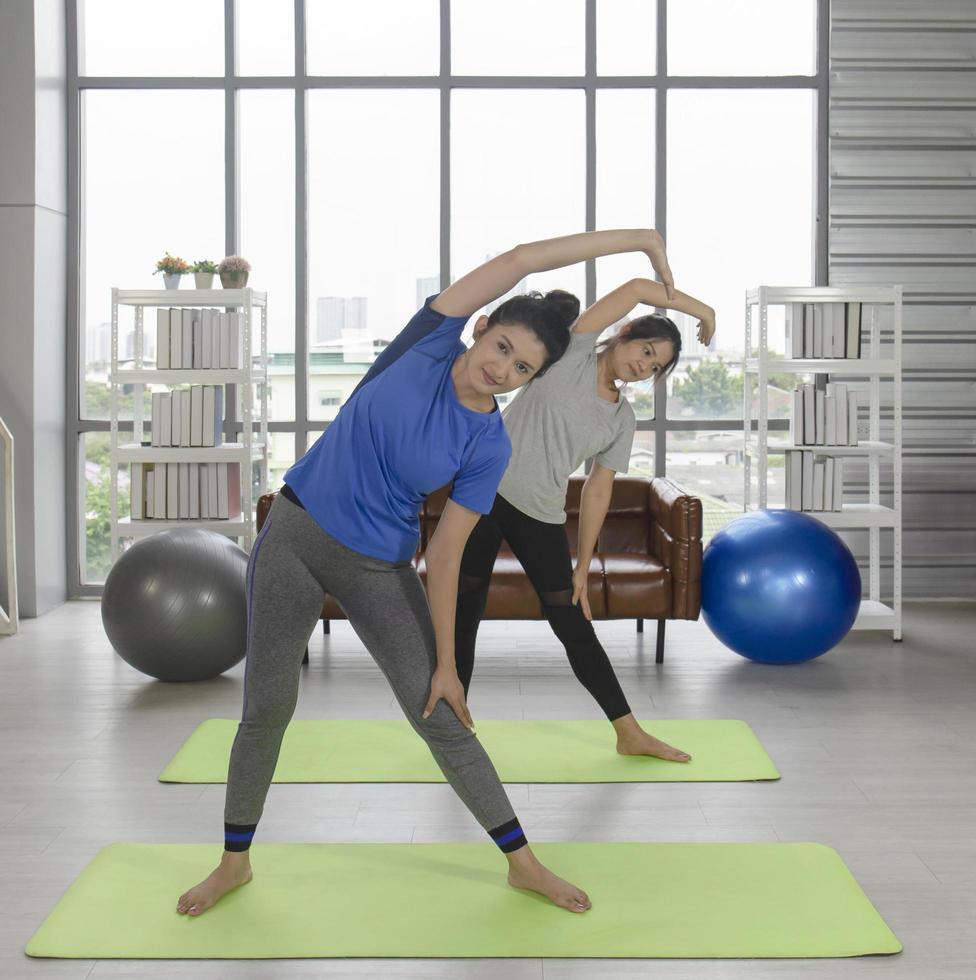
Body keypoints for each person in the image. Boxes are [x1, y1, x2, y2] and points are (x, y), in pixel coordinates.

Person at [176, 229, 675, 918]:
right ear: (480, 327)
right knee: (267, 705)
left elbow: (445, 554)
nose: (504, 369)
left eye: (523, 369)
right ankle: (234, 862)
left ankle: (522, 863)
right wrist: (639, 242)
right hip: (292, 535)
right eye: (502, 347)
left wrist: (447, 662)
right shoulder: (426, 343)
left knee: (441, 711)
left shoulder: (487, 442)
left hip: (378, 566)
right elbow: (521, 261)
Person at [454, 276, 715, 762]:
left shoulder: (621, 419)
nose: (642, 365)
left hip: (540, 513)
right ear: (626, 333)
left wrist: (581, 563)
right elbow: (638, 285)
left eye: (654, 365)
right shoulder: (572, 351)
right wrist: (704, 312)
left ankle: (629, 731)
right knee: (464, 612)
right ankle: (454, 730)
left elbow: (598, 490)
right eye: (646, 349)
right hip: (481, 493)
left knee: (572, 623)